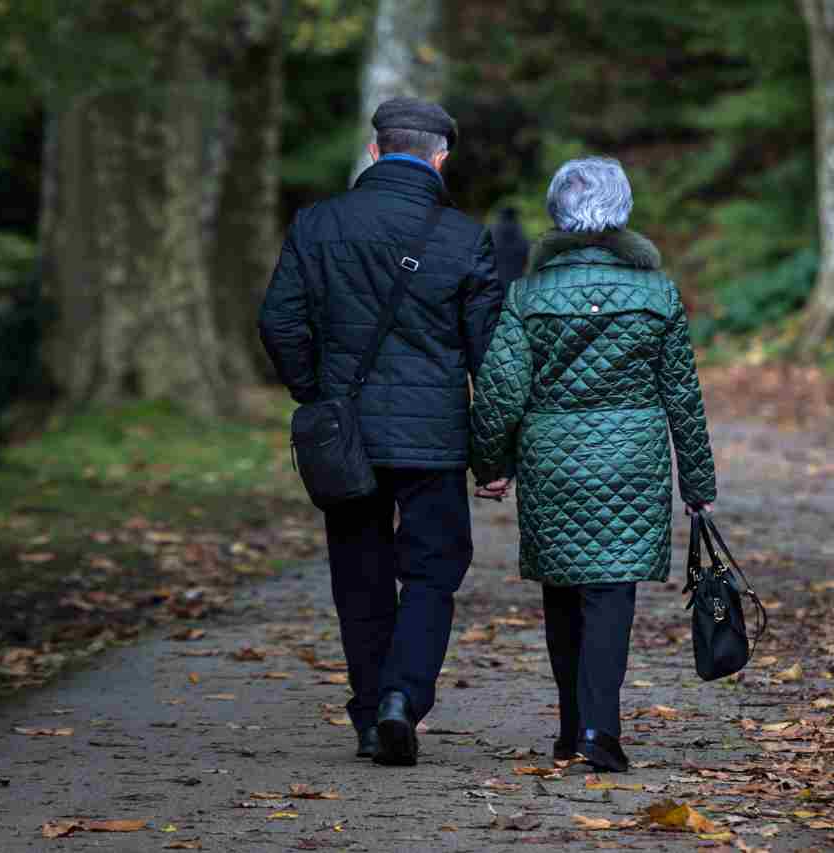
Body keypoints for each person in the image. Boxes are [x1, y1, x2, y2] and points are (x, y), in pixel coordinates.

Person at [258, 97, 504, 767]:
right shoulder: (464, 238)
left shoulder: (318, 224)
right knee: (431, 573)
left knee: (358, 574)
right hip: (433, 439)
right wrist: (494, 455)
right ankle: (403, 696)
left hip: (350, 435)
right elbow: (491, 356)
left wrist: (316, 392)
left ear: (375, 150)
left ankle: (371, 714)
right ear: (440, 158)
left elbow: (279, 322)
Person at [469, 157, 718, 772]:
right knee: (611, 593)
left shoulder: (528, 294)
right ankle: (599, 731)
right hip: (631, 460)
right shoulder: (657, 294)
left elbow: (501, 391)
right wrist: (699, 484)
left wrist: (489, 464)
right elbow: (682, 396)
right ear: (622, 212)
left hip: (553, 461)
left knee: (562, 592)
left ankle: (568, 729)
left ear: (556, 215)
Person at [490, 206, 530, 286]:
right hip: (516, 280)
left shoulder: (493, 232)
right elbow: (528, 253)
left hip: (495, 281)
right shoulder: (519, 233)